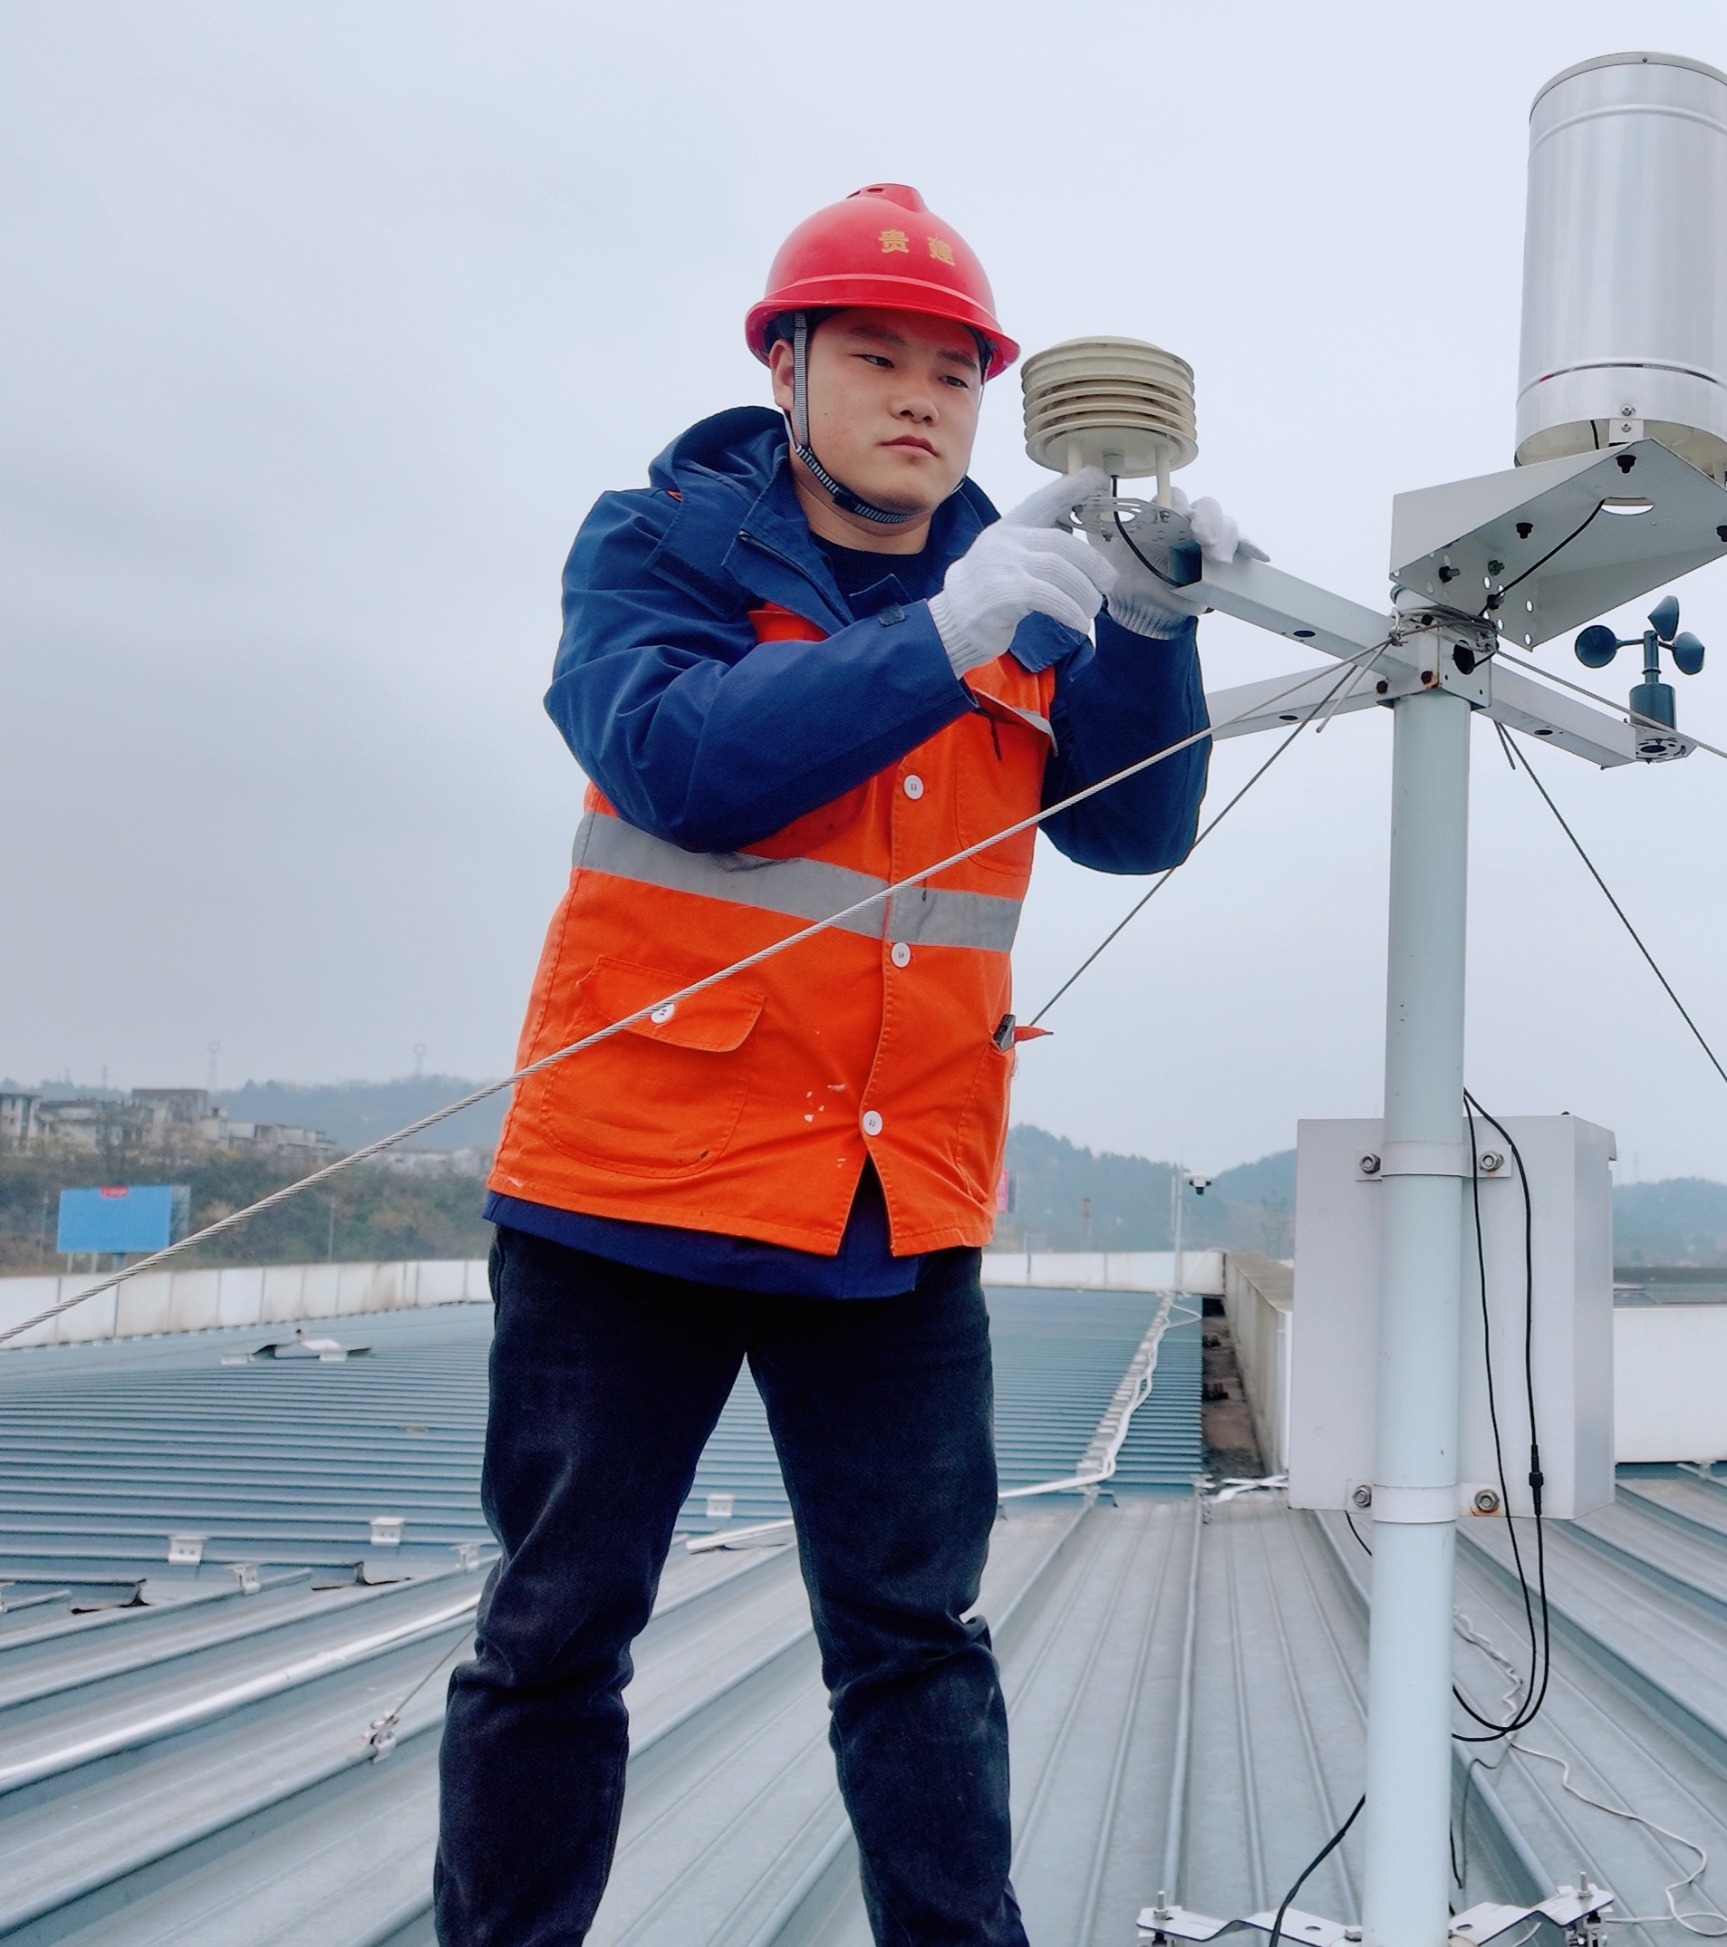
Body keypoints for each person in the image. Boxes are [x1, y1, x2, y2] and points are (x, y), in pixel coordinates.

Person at [438, 184, 1234, 1947]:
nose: (922, 400)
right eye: (876, 357)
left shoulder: (1026, 573)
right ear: (784, 367)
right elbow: (677, 763)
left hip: (890, 1199)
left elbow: (1132, 830)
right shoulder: (658, 546)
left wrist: (1155, 626)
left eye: (954, 373)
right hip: (629, 1193)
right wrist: (945, 640)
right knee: (555, 1634)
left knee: (914, 1644)